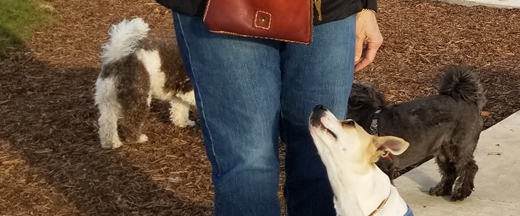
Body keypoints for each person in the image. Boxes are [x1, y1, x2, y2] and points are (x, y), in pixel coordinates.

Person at [152, 0, 383, 215]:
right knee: (248, 164)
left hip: (331, 9)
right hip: (224, 8)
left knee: (323, 153)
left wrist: (365, 6)